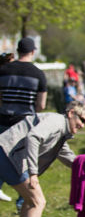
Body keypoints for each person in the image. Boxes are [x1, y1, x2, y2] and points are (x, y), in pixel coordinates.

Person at [0, 37, 48, 203]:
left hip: (3, 120)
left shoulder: (4, 70)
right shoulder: (38, 74)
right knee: (24, 163)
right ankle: (24, 200)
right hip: (24, 123)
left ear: (18, 50)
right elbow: (41, 105)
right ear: (33, 52)